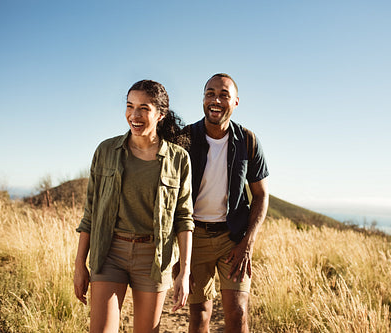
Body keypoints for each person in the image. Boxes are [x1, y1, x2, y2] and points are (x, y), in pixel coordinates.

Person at [73, 79, 194, 333]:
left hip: (154, 257)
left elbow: (184, 218)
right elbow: (91, 212)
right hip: (110, 252)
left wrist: (184, 271)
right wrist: (79, 264)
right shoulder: (106, 151)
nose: (134, 115)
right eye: (130, 106)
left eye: (144, 108)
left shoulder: (178, 159)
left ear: (160, 115)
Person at [185, 73, 269, 332]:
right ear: (203, 99)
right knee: (199, 314)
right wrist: (177, 250)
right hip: (194, 236)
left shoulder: (248, 141)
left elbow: (261, 195)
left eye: (223, 95)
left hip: (232, 239)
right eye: (210, 93)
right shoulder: (185, 138)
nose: (216, 100)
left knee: (238, 312)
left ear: (235, 102)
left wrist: (247, 244)